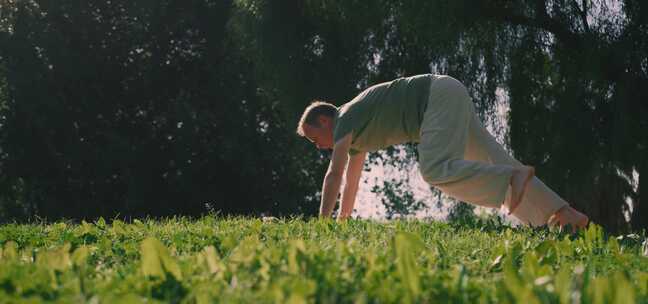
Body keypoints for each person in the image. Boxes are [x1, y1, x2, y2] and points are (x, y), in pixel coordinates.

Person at [296, 74, 589, 231]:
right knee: (494, 161)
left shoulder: (345, 118)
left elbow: (334, 175)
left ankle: (512, 178)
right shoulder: (356, 137)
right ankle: (564, 216)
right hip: (448, 92)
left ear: (324, 121)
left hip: (437, 97)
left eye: (314, 139)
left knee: (435, 169)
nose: (318, 146)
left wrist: (323, 224)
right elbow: (350, 180)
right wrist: (342, 220)